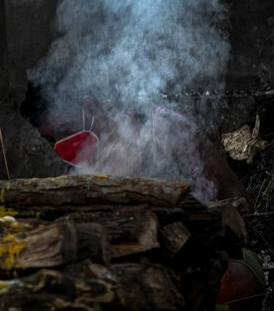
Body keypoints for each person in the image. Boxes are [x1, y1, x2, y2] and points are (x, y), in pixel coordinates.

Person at [20, 80, 264, 310]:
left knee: (232, 284)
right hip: (135, 276)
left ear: (88, 107)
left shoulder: (162, 128)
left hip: (206, 262)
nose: (60, 145)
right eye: (50, 139)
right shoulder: (75, 177)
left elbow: (242, 206)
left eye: (64, 130)